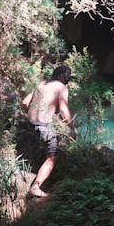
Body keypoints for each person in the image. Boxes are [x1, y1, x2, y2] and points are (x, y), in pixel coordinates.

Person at [21, 65, 76, 197]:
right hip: (42, 126)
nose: (69, 78)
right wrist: (72, 128)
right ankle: (36, 186)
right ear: (62, 75)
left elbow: (24, 103)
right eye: (68, 75)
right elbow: (63, 110)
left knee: (47, 138)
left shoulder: (42, 84)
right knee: (52, 158)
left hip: (30, 124)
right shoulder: (61, 87)